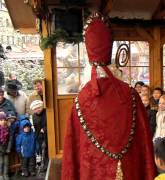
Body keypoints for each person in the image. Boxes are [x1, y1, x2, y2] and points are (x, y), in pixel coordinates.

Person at [61, 13, 156, 180]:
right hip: (130, 170)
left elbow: (73, 150)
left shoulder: (81, 99)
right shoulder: (130, 94)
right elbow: (144, 143)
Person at [30, 100, 48, 172]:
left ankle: (46, 165)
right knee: (41, 151)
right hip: (39, 136)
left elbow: (50, 122)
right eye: (35, 109)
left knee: (47, 151)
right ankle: (43, 166)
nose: (37, 110)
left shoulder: (47, 112)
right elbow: (35, 127)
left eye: (38, 108)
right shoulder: (34, 116)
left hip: (48, 135)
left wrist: (44, 129)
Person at [0, 111, 11, 180]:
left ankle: (5, 174)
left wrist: (8, 148)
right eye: (1, 120)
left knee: (6, 163)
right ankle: (1, 175)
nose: (3, 121)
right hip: (0, 150)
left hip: (6, 149)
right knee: (1, 163)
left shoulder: (8, 129)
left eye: (4, 120)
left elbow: (10, 140)